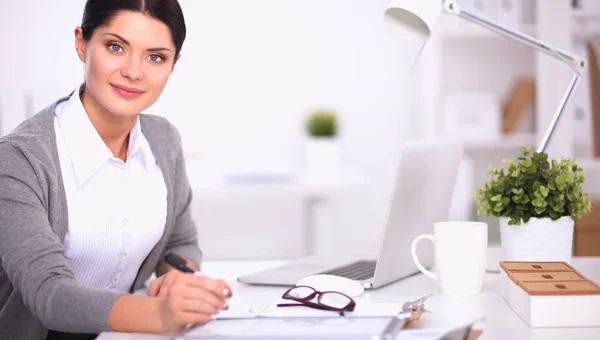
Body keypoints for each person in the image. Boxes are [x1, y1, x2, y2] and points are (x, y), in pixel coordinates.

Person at [0, 1, 231, 339]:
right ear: (82, 43)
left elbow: (182, 243)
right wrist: (159, 314)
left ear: (173, 64)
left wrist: (179, 277)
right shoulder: (19, 160)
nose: (134, 72)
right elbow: (49, 295)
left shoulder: (163, 140)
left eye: (155, 57)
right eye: (115, 46)